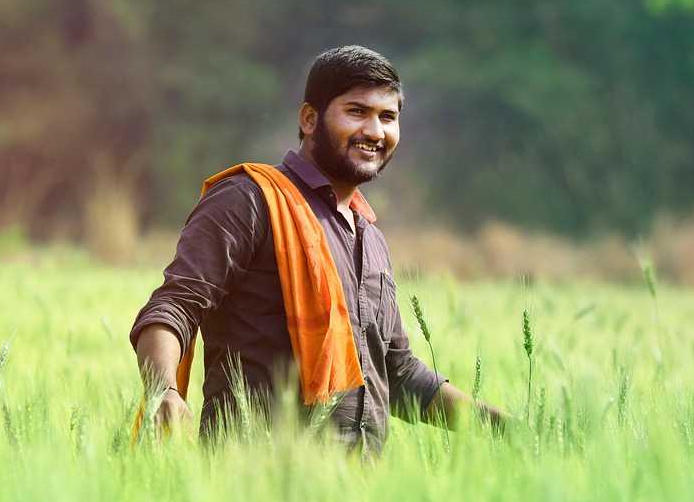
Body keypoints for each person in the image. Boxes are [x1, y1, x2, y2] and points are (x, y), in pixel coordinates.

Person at [130, 45, 508, 454]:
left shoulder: (370, 236)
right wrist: (164, 389)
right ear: (310, 119)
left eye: (389, 117)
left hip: (355, 499)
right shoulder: (250, 199)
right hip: (250, 488)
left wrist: (508, 430)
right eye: (357, 112)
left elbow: (396, 376)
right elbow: (173, 307)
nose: (375, 131)